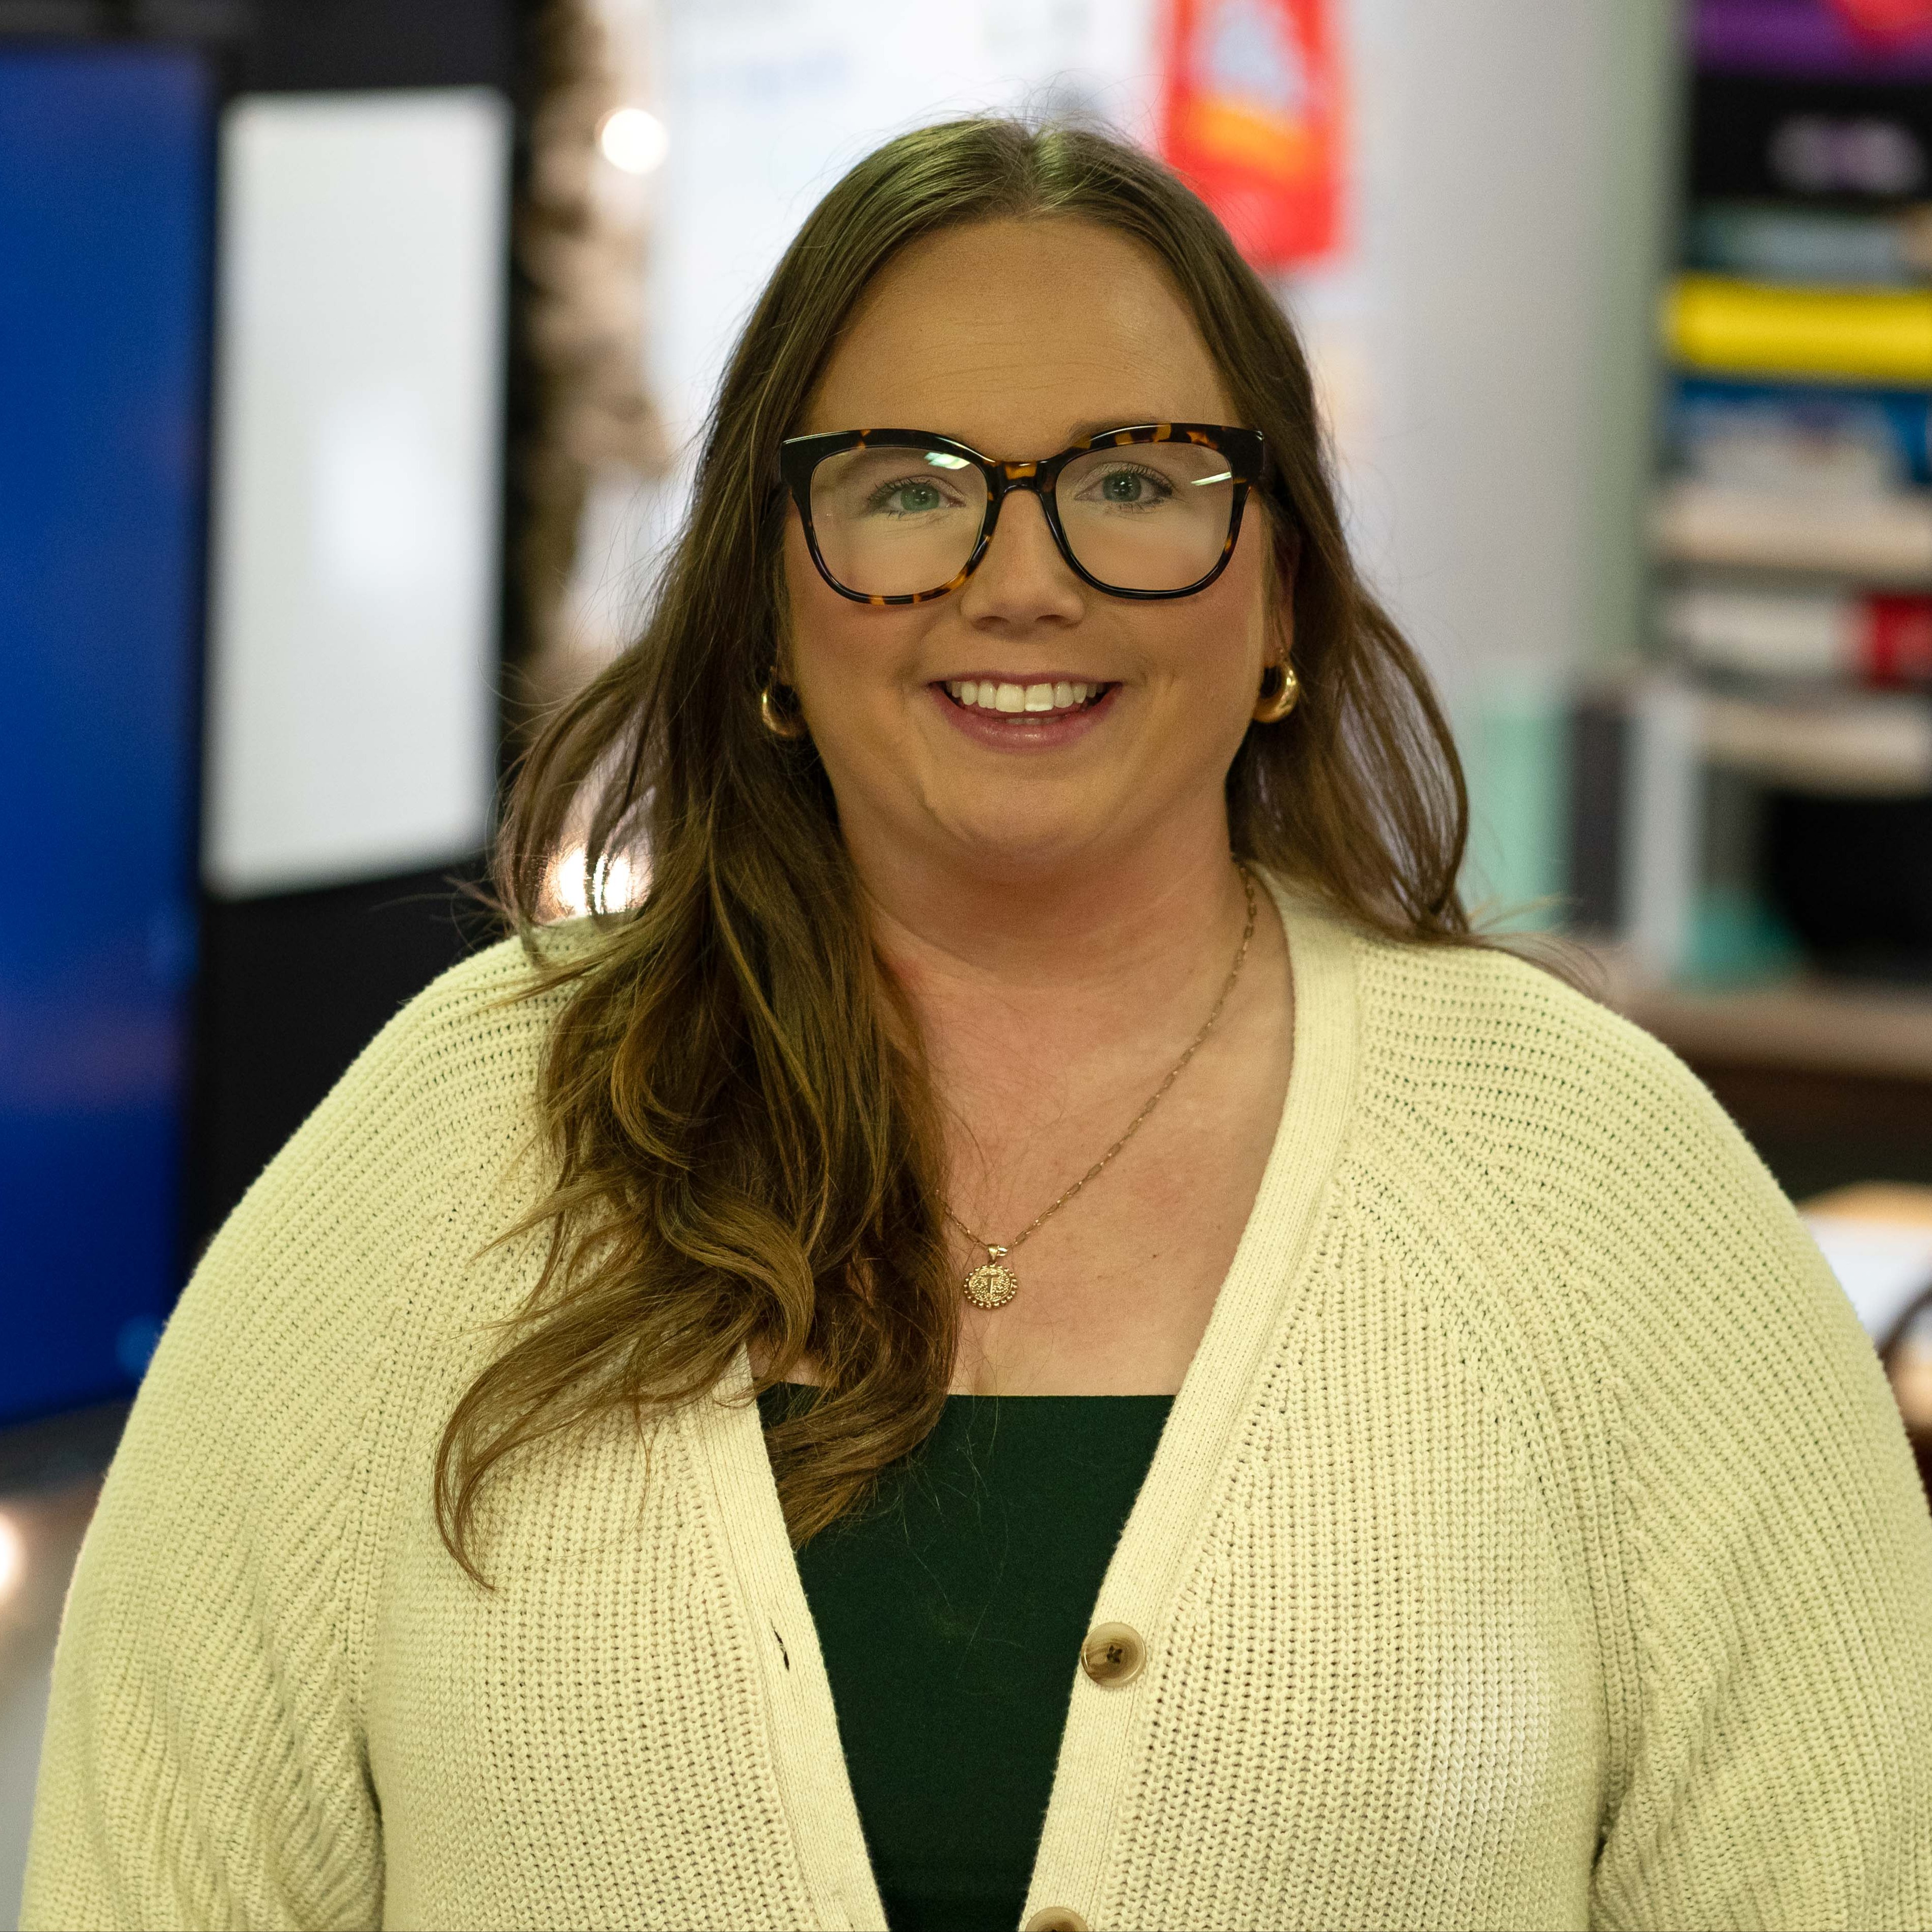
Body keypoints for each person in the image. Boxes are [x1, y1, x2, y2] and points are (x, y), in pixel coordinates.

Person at [23, 117, 1932, 1932]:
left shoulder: (1600, 1181)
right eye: (907, 491)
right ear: (771, 607)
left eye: (1135, 483)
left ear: (1281, 590)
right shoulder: (457, 1142)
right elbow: (153, 1880)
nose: (1022, 581)